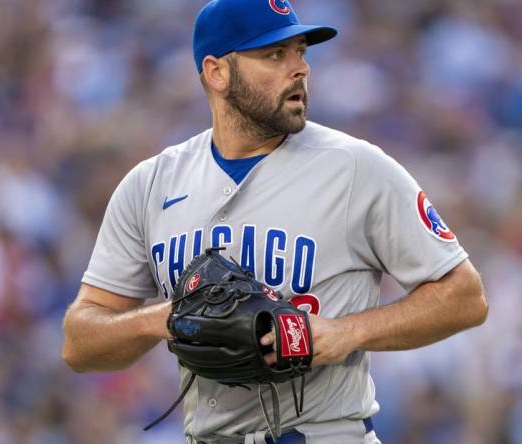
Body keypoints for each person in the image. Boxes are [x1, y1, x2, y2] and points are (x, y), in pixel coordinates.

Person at [61, 1, 488, 443]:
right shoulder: (150, 185)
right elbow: (79, 343)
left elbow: (465, 295)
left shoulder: (357, 168)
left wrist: (348, 332)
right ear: (217, 73)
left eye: (301, 51)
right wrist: (164, 320)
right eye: (274, 55)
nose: (300, 68)